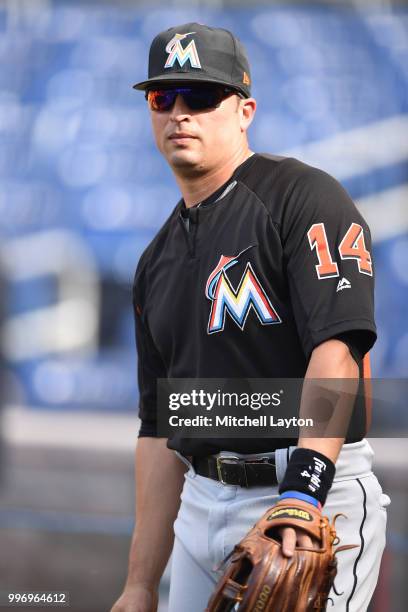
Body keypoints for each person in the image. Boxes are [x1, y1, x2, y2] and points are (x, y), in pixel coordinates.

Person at [111, 23, 389, 612]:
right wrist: (138, 583)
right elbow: (160, 430)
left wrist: (304, 494)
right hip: (200, 499)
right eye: (163, 98)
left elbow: (336, 349)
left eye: (201, 97)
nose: (180, 114)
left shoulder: (303, 197)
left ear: (244, 110)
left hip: (310, 486)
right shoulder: (154, 260)